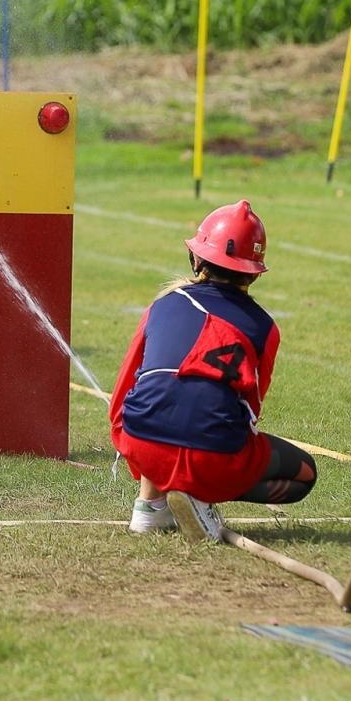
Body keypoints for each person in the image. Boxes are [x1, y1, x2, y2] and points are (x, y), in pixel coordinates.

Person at [108, 200, 317, 543]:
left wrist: (133, 449)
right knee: (304, 475)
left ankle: (148, 507)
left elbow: (123, 393)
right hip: (212, 456)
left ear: (197, 258)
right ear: (253, 270)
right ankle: (196, 495)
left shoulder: (163, 305)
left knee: (160, 402)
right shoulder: (264, 327)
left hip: (140, 441)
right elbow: (250, 412)